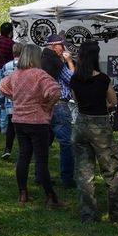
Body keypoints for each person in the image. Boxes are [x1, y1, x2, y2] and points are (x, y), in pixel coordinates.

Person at [71, 40, 118, 223]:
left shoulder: (74, 79)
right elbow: (113, 102)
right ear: (96, 57)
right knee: (111, 170)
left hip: (81, 124)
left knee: (83, 173)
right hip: (100, 126)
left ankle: (88, 214)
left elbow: (76, 100)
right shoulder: (103, 79)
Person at [0, 44, 64, 208]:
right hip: (37, 120)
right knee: (41, 160)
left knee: (23, 157)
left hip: (19, 120)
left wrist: (15, 97)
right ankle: (51, 197)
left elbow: (1, 86)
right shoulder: (39, 75)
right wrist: (47, 105)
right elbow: (55, 91)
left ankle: (22, 193)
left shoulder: (15, 75)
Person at [44, 34, 76, 188]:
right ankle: (67, 179)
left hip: (43, 105)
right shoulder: (57, 63)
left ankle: (40, 175)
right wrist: (69, 62)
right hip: (59, 105)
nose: (63, 48)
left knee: (43, 143)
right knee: (67, 143)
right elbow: (73, 80)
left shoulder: (41, 60)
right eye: (61, 45)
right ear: (53, 46)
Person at [0, 43, 24, 158]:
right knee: (22, 126)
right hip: (23, 100)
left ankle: (7, 148)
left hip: (9, 100)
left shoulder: (6, 66)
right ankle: (23, 149)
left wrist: (1, 100)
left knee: (11, 124)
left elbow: (2, 83)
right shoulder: (26, 66)